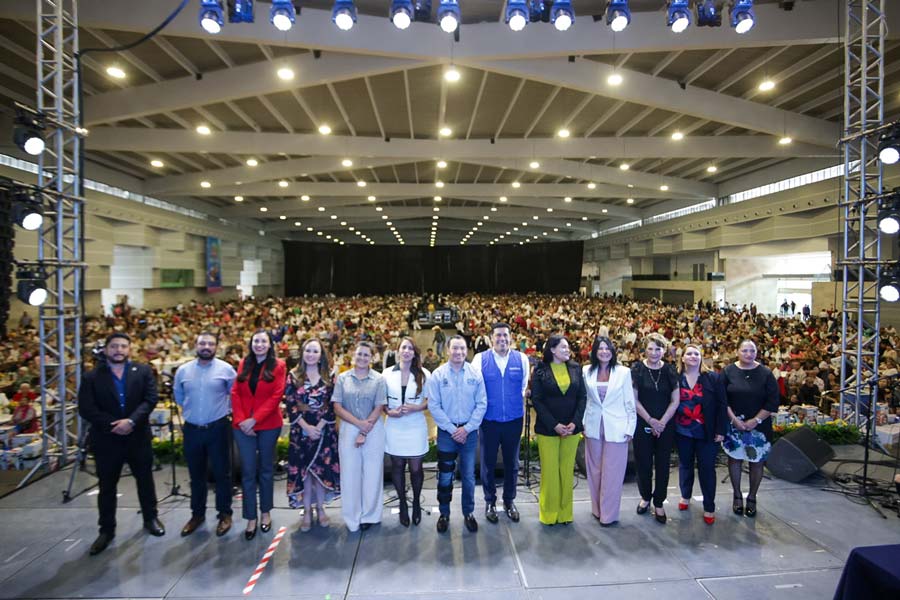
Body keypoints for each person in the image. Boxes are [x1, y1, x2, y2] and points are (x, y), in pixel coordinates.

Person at [77, 332, 164, 556]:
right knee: (107, 487)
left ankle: (151, 518)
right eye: (114, 346)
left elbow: (150, 399)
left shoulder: (142, 371)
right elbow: (86, 408)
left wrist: (132, 421)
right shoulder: (91, 377)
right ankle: (106, 530)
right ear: (106, 350)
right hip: (107, 438)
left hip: (137, 436)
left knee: (145, 481)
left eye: (123, 346)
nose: (119, 350)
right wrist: (115, 424)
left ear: (129, 349)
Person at [173, 332, 237, 538]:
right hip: (192, 429)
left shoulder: (226, 370)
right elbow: (179, 397)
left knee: (222, 474)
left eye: (210, 343)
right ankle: (197, 515)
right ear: (196, 345)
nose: (206, 346)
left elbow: (234, 396)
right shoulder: (183, 371)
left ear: (216, 346)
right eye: (203, 343)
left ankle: (225, 514)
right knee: (196, 475)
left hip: (218, 428)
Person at [426, 335, 487, 533]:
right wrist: (453, 430)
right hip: (446, 434)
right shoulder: (438, 375)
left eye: (462, 348)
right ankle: (444, 513)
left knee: (468, 476)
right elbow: (434, 406)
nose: (459, 352)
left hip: (468, 434)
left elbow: (481, 404)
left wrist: (467, 428)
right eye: (455, 348)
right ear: (447, 351)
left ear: (466, 350)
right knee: (445, 476)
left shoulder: (475, 374)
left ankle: (468, 513)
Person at [470, 322, 529, 525]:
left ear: (510, 337)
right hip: (489, 421)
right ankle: (490, 502)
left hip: (513, 420)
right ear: (490, 338)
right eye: (498, 336)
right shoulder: (480, 359)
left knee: (512, 463)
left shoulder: (521, 359)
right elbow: (476, 388)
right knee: (487, 463)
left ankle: (509, 501)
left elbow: (522, 387)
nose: (502, 339)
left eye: (505, 335)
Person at [232, 329, 286, 540]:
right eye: (256, 341)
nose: (260, 344)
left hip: (268, 424)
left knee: (265, 470)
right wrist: (243, 420)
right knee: (247, 472)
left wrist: (255, 420)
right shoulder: (244, 363)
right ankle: (250, 517)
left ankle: (265, 513)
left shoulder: (279, 365)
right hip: (242, 426)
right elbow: (235, 392)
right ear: (251, 343)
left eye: (264, 341)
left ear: (270, 344)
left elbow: (276, 395)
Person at [530, 334, 586, 526]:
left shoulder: (576, 368)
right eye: (563, 347)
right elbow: (536, 399)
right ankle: (549, 514)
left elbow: (582, 398)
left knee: (566, 472)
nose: (567, 350)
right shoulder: (540, 370)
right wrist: (554, 424)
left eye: (568, 347)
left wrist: (574, 422)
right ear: (552, 349)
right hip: (548, 429)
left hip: (572, 429)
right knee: (550, 472)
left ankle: (565, 513)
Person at [285, 338, 340, 532]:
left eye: (315, 351)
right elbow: (290, 405)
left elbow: (334, 403)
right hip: (301, 430)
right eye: (308, 350)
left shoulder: (330, 375)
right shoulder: (293, 375)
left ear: (321, 355)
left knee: (320, 473)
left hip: (324, 429)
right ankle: (307, 511)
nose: (311, 354)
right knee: (306, 474)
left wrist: (320, 425)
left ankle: (320, 508)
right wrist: (306, 426)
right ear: (302, 352)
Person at [332, 341, 387, 532]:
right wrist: (358, 425)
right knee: (349, 474)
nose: (362, 358)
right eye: (359, 354)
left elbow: (379, 406)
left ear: (372, 358)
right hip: (349, 429)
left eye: (366, 355)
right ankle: (352, 517)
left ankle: (370, 515)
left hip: (373, 429)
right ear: (353, 355)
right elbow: (337, 407)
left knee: (372, 474)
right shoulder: (342, 378)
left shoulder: (379, 379)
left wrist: (364, 430)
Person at [722, 339, 780, 518]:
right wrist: (733, 420)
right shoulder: (728, 371)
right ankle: (737, 495)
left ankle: (752, 496)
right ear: (737, 351)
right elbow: (722, 399)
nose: (748, 354)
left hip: (759, 427)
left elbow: (772, 401)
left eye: (752, 351)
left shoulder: (766, 373)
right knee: (735, 460)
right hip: (734, 424)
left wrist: (756, 420)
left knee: (757, 463)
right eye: (745, 350)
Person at [582, 336, 636, 526]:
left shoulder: (623, 372)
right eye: (600, 348)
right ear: (595, 351)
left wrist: (631, 427)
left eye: (607, 348)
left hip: (617, 427)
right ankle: (597, 510)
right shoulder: (586, 371)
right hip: (593, 426)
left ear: (612, 351)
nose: (604, 351)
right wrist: (583, 423)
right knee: (595, 471)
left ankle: (609, 515)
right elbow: (586, 400)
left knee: (612, 473)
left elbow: (630, 401)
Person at [675, 344, 727, 525]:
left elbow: (722, 405)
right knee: (685, 465)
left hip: (707, 432)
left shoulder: (712, 378)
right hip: (682, 431)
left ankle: (709, 506)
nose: (692, 356)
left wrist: (721, 430)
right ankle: (685, 496)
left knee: (707, 469)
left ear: (701, 357)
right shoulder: (676, 378)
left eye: (696, 353)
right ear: (682, 358)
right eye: (688, 353)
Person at [631, 333, 679, 524]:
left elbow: (676, 400)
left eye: (658, 349)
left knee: (662, 465)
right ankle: (645, 497)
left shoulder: (670, 370)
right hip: (643, 422)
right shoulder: (637, 368)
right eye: (650, 348)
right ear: (645, 349)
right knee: (643, 464)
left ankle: (659, 501)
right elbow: (633, 399)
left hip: (665, 425)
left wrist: (662, 422)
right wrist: (651, 420)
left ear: (664, 350)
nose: (654, 352)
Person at [383, 337, 430, 527]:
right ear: (397, 351)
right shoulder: (386, 374)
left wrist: (416, 408)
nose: (406, 351)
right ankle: (403, 503)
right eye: (403, 347)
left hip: (415, 425)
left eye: (410, 348)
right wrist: (389, 411)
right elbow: (381, 400)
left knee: (416, 468)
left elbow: (430, 400)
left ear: (414, 352)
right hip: (394, 426)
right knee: (397, 467)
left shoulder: (424, 374)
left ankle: (416, 502)